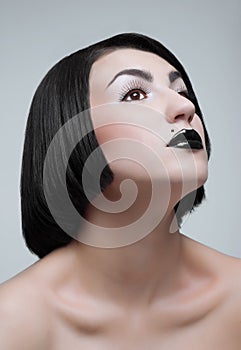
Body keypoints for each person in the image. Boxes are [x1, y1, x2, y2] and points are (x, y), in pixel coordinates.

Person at [0, 33, 241, 349]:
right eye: (136, 94)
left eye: (181, 91)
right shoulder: (13, 322)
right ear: (70, 135)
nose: (185, 106)